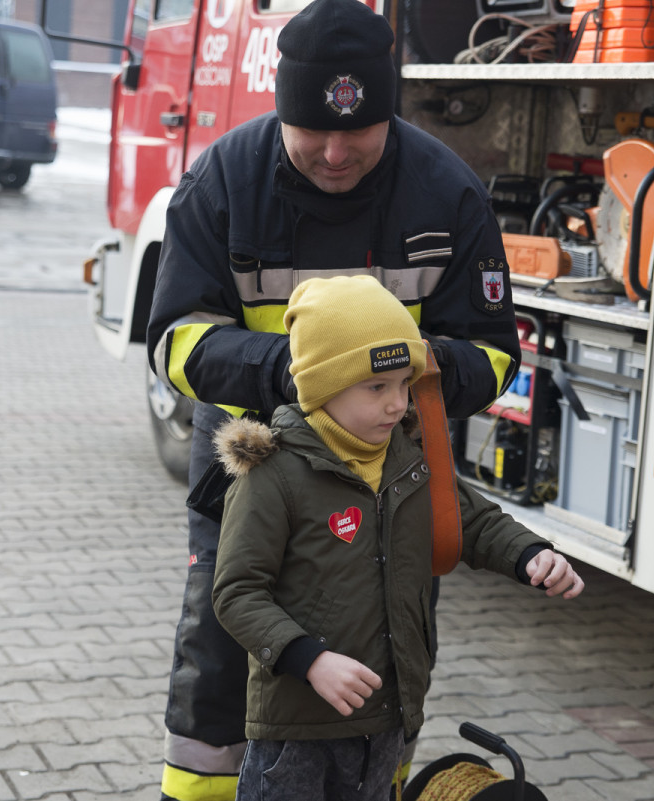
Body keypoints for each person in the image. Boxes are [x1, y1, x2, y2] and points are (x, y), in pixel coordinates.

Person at [145, 0, 526, 796]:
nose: (334, 151)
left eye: (358, 132)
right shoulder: (224, 180)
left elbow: (494, 356)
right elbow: (175, 339)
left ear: (389, 109)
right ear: (279, 107)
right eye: (311, 131)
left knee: (383, 660)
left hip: (390, 477)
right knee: (221, 649)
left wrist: (405, 365)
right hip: (255, 469)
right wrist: (295, 371)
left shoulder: (446, 193)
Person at [209, 275, 583, 801]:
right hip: (299, 727)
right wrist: (309, 659)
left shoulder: (409, 458)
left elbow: (471, 521)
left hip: (387, 716)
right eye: (376, 387)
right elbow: (236, 592)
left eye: (405, 384)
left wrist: (531, 554)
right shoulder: (273, 475)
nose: (396, 404)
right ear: (322, 385)